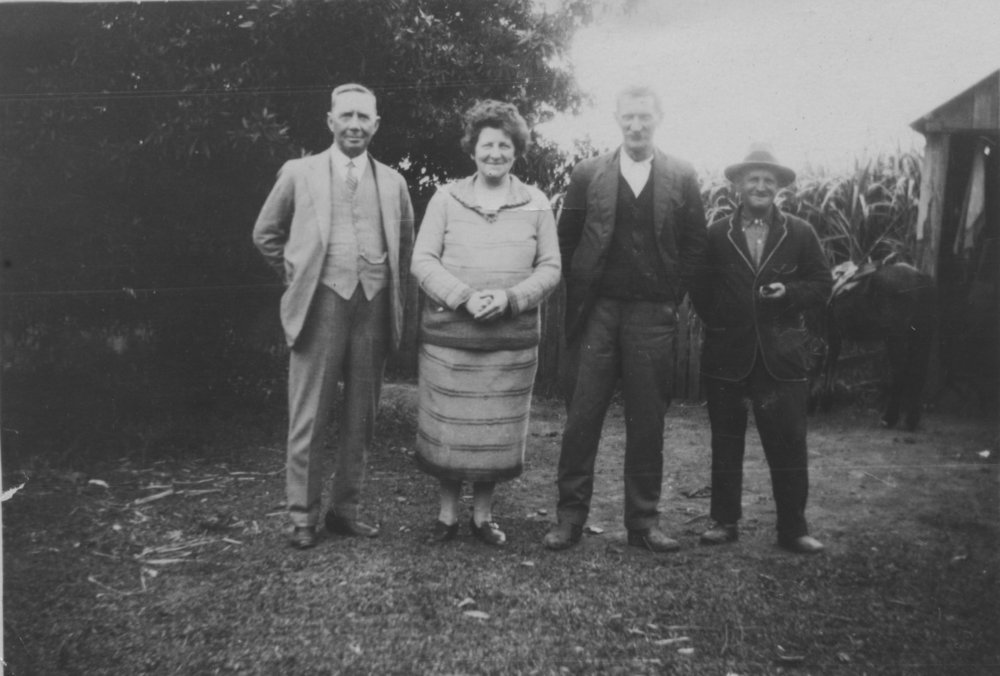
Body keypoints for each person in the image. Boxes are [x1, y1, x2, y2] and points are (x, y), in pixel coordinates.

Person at [544, 85, 708, 553]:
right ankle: (569, 519)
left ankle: (643, 522)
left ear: (659, 118)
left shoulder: (681, 174)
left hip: (652, 314)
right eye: (629, 117)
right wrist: (582, 296)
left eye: (645, 117)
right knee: (582, 417)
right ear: (617, 118)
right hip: (598, 312)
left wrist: (671, 292)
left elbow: (695, 243)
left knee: (647, 420)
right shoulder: (588, 173)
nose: (636, 126)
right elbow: (567, 237)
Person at [253, 83, 415, 549]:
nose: (355, 125)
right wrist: (299, 275)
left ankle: (346, 511)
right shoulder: (299, 172)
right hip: (320, 305)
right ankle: (302, 517)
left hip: (374, 307)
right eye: (346, 116)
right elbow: (265, 233)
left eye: (364, 117)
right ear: (330, 120)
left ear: (377, 125)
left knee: (361, 419)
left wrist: (383, 289)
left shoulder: (393, 183)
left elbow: (402, 246)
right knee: (309, 416)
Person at [410, 100, 560, 546]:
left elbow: (550, 268)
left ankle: (483, 517)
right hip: (450, 340)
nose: (495, 153)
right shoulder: (445, 197)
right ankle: (446, 516)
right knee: (450, 428)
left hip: (509, 343)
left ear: (517, 151)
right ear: (472, 149)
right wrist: (464, 298)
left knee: (494, 431)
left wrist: (512, 299)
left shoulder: (536, 202)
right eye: (487, 144)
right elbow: (421, 259)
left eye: (505, 145)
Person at [688, 146, 831, 554]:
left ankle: (793, 528)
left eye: (769, 180)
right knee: (726, 440)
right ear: (737, 185)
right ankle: (724, 521)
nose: (761, 186)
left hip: (781, 357)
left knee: (788, 441)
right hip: (727, 354)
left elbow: (822, 285)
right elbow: (700, 288)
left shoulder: (800, 232)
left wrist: (790, 292)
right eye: (753, 179)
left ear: (779, 187)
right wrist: (723, 320)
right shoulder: (717, 234)